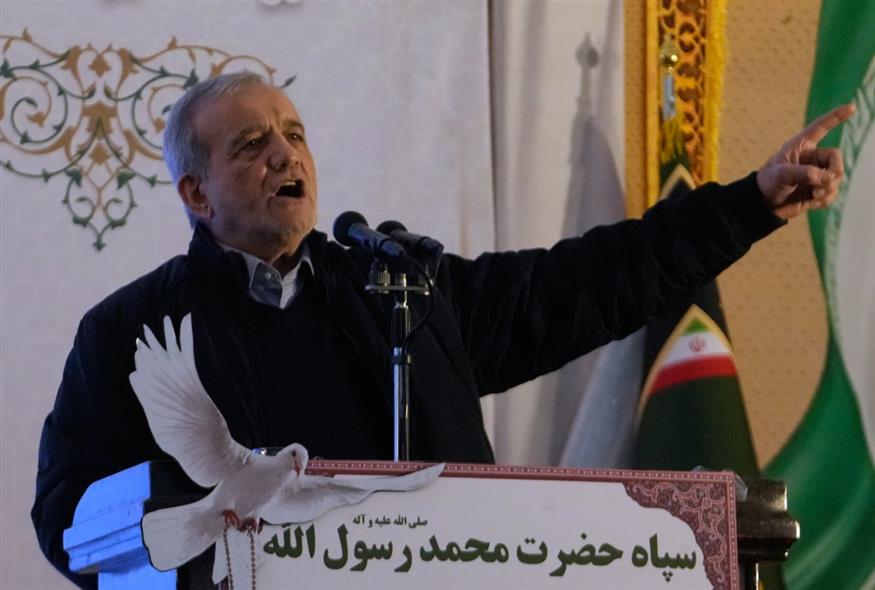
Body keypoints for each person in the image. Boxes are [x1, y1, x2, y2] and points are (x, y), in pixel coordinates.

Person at [31, 71, 852, 588]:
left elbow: (583, 281)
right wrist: (191, 529)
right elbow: (67, 517)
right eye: (252, 144)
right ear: (197, 194)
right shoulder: (127, 333)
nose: (286, 154)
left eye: (295, 134)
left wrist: (747, 205)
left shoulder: (403, 288)